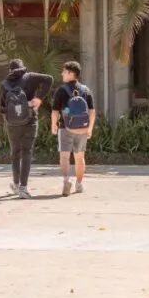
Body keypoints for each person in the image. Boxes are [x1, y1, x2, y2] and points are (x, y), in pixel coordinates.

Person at [0, 59, 53, 199]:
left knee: (15, 153)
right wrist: (39, 98)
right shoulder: (30, 77)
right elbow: (49, 79)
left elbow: (0, 108)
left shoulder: (4, 84)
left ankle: (16, 185)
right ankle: (23, 188)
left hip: (12, 124)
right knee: (27, 152)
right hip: (30, 120)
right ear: (23, 68)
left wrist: (12, 110)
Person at [50, 60, 96, 196]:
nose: (62, 73)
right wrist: (90, 129)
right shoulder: (86, 90)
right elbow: (92, 112)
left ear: (70, 73)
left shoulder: (61, 91)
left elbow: (55, 112)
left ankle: (66, 179)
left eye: (64, 71)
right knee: (79, 157)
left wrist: (53, 125)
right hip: (82, 129)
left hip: (66, 128)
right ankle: (79, 184)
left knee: (64, 156)